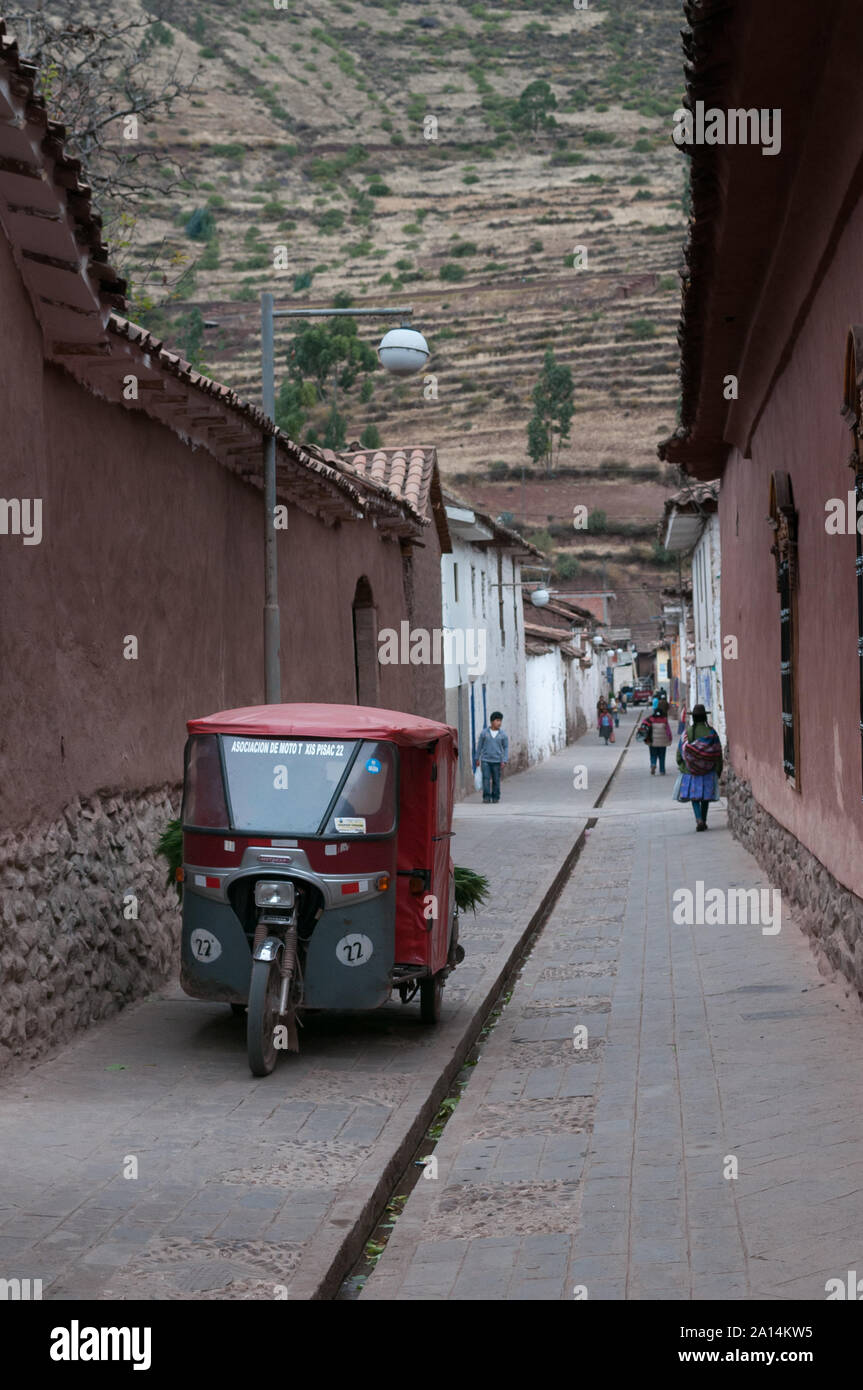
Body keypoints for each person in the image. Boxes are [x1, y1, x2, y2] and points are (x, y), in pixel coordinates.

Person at [675, 703, 723, 830]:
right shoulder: (712, 733)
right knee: (705, 797)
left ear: (694, 718)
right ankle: (704, 819)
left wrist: (683, 765)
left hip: (691, 772)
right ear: (704, 718)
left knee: (694, 797)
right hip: (708, 771)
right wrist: (718, 770)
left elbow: (680, 752)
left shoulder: (687, 733)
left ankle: (699, 819)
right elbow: (718, 753)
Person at [474, 711, 508, 804]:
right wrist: (477, 758)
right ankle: (486, 797)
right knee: (486, 779)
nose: (499, 723)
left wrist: (504, 760)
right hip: (485, 761)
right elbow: (479, 746)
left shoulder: (503, 735)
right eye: (497, 720)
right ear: (492, 721)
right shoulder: (484, 733)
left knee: (496, 780)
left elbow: (505, 747)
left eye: (500, 721)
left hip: (497, 761)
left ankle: (496, 797)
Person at [646, 702, 672, 774]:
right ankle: (662, 770)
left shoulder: (650, 719)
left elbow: (646, 728)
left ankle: (653, 764)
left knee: (653, 754)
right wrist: (670, 738)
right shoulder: (664, 720)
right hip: (663, 742)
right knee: (662, 756)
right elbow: (668, 731)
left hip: (652, 741)